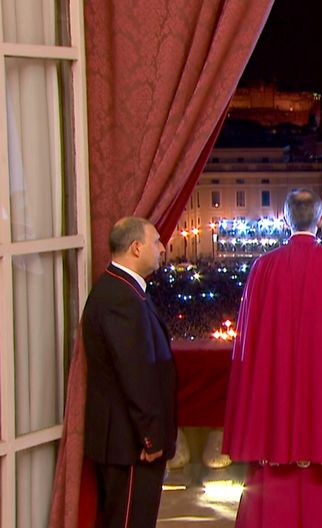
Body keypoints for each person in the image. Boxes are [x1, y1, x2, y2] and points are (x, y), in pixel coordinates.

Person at [223, 189, 322, 527]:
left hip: (275, 401)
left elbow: (249, 345)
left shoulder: (263, 268)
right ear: (321, 220)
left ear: (284, 219)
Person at [81, 216, 176, 526]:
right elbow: (136, 376)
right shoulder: (120, 299)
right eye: (156, 241)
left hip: (129, 442)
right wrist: (150, 438)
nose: (162, 248)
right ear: (136, 248)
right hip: (131, 446)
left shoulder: (125, 291)